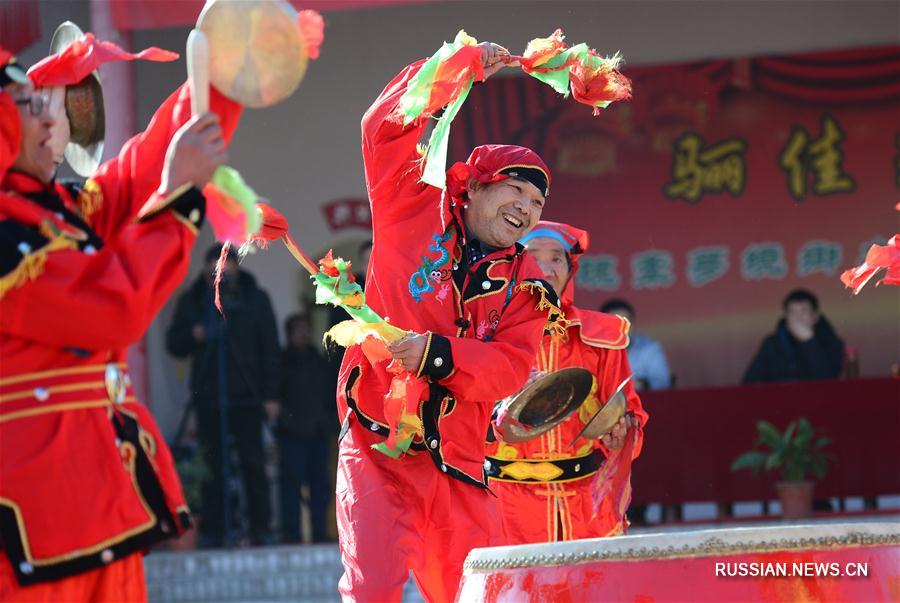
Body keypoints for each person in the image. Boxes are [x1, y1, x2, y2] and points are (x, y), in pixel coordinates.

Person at [0, 40, 237, 599]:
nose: (50, 119)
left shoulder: (50, 209)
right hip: (37, 519)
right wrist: (178, 196)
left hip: (94, 500)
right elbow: (110, 310)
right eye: (28, 106)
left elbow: (138, 171)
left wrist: (223, 73)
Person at [336, 40, 561, 602]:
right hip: (377, 446)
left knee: (479, 596)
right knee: (372, 591)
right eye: (515, 189)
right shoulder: (411, 207)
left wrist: (438, 355)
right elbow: (383, 125)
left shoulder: (526, 281)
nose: (526, 208)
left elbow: (511, 367)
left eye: (536, 203)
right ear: (476, 186)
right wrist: (458, 67)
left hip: (457, 463)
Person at [486, 221, 648, 543]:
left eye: (556, 259)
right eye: (533, 257)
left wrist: (620, 436)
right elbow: (456, 422)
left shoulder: (600, 337)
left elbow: (630, 414)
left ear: (570, 269)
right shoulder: (483, 332)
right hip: (503, 506)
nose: (546, 269)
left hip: (583, 507)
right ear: (513, 265)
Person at [166, 244, 280, 547]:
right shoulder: (193, 300)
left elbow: (270, 348)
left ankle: (261, 528)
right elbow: (173, 342)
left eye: (226, 266)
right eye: (214, 267)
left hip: (248, 395)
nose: (220, 272)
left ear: (237, 268)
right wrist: (195, 334)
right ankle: (213, 530)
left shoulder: (255, 298)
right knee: (211, 465)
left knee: (253, 461)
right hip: (208, 395)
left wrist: (271, 395)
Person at [275, 313, 338, 543]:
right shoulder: (281, 362)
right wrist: (285, 421)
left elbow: (330, 395)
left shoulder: (320, 361)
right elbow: (276, 397)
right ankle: (291, 535)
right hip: (291, 434)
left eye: (306, 329)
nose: (303, 334)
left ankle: (320, 534)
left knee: (320, 488)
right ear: (289, 334)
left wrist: (328, 423)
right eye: (298, 330)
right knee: (291, 488)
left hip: (318, 434)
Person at [742, 289, 845, 384]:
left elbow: (828, 380)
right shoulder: (772, 344)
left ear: (815, 316)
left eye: (803, 311)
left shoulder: (832, 343)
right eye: (792, 312)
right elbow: (749, 382)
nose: (797, 318)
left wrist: (809, 342)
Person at [600, 298, 671, 390]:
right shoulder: (591, 350)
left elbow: (663, 383)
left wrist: (641, 384)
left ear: (633, 324)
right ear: (602, 326)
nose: (621, 328)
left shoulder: (650, 348)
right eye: (615, 323)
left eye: (626, 322)